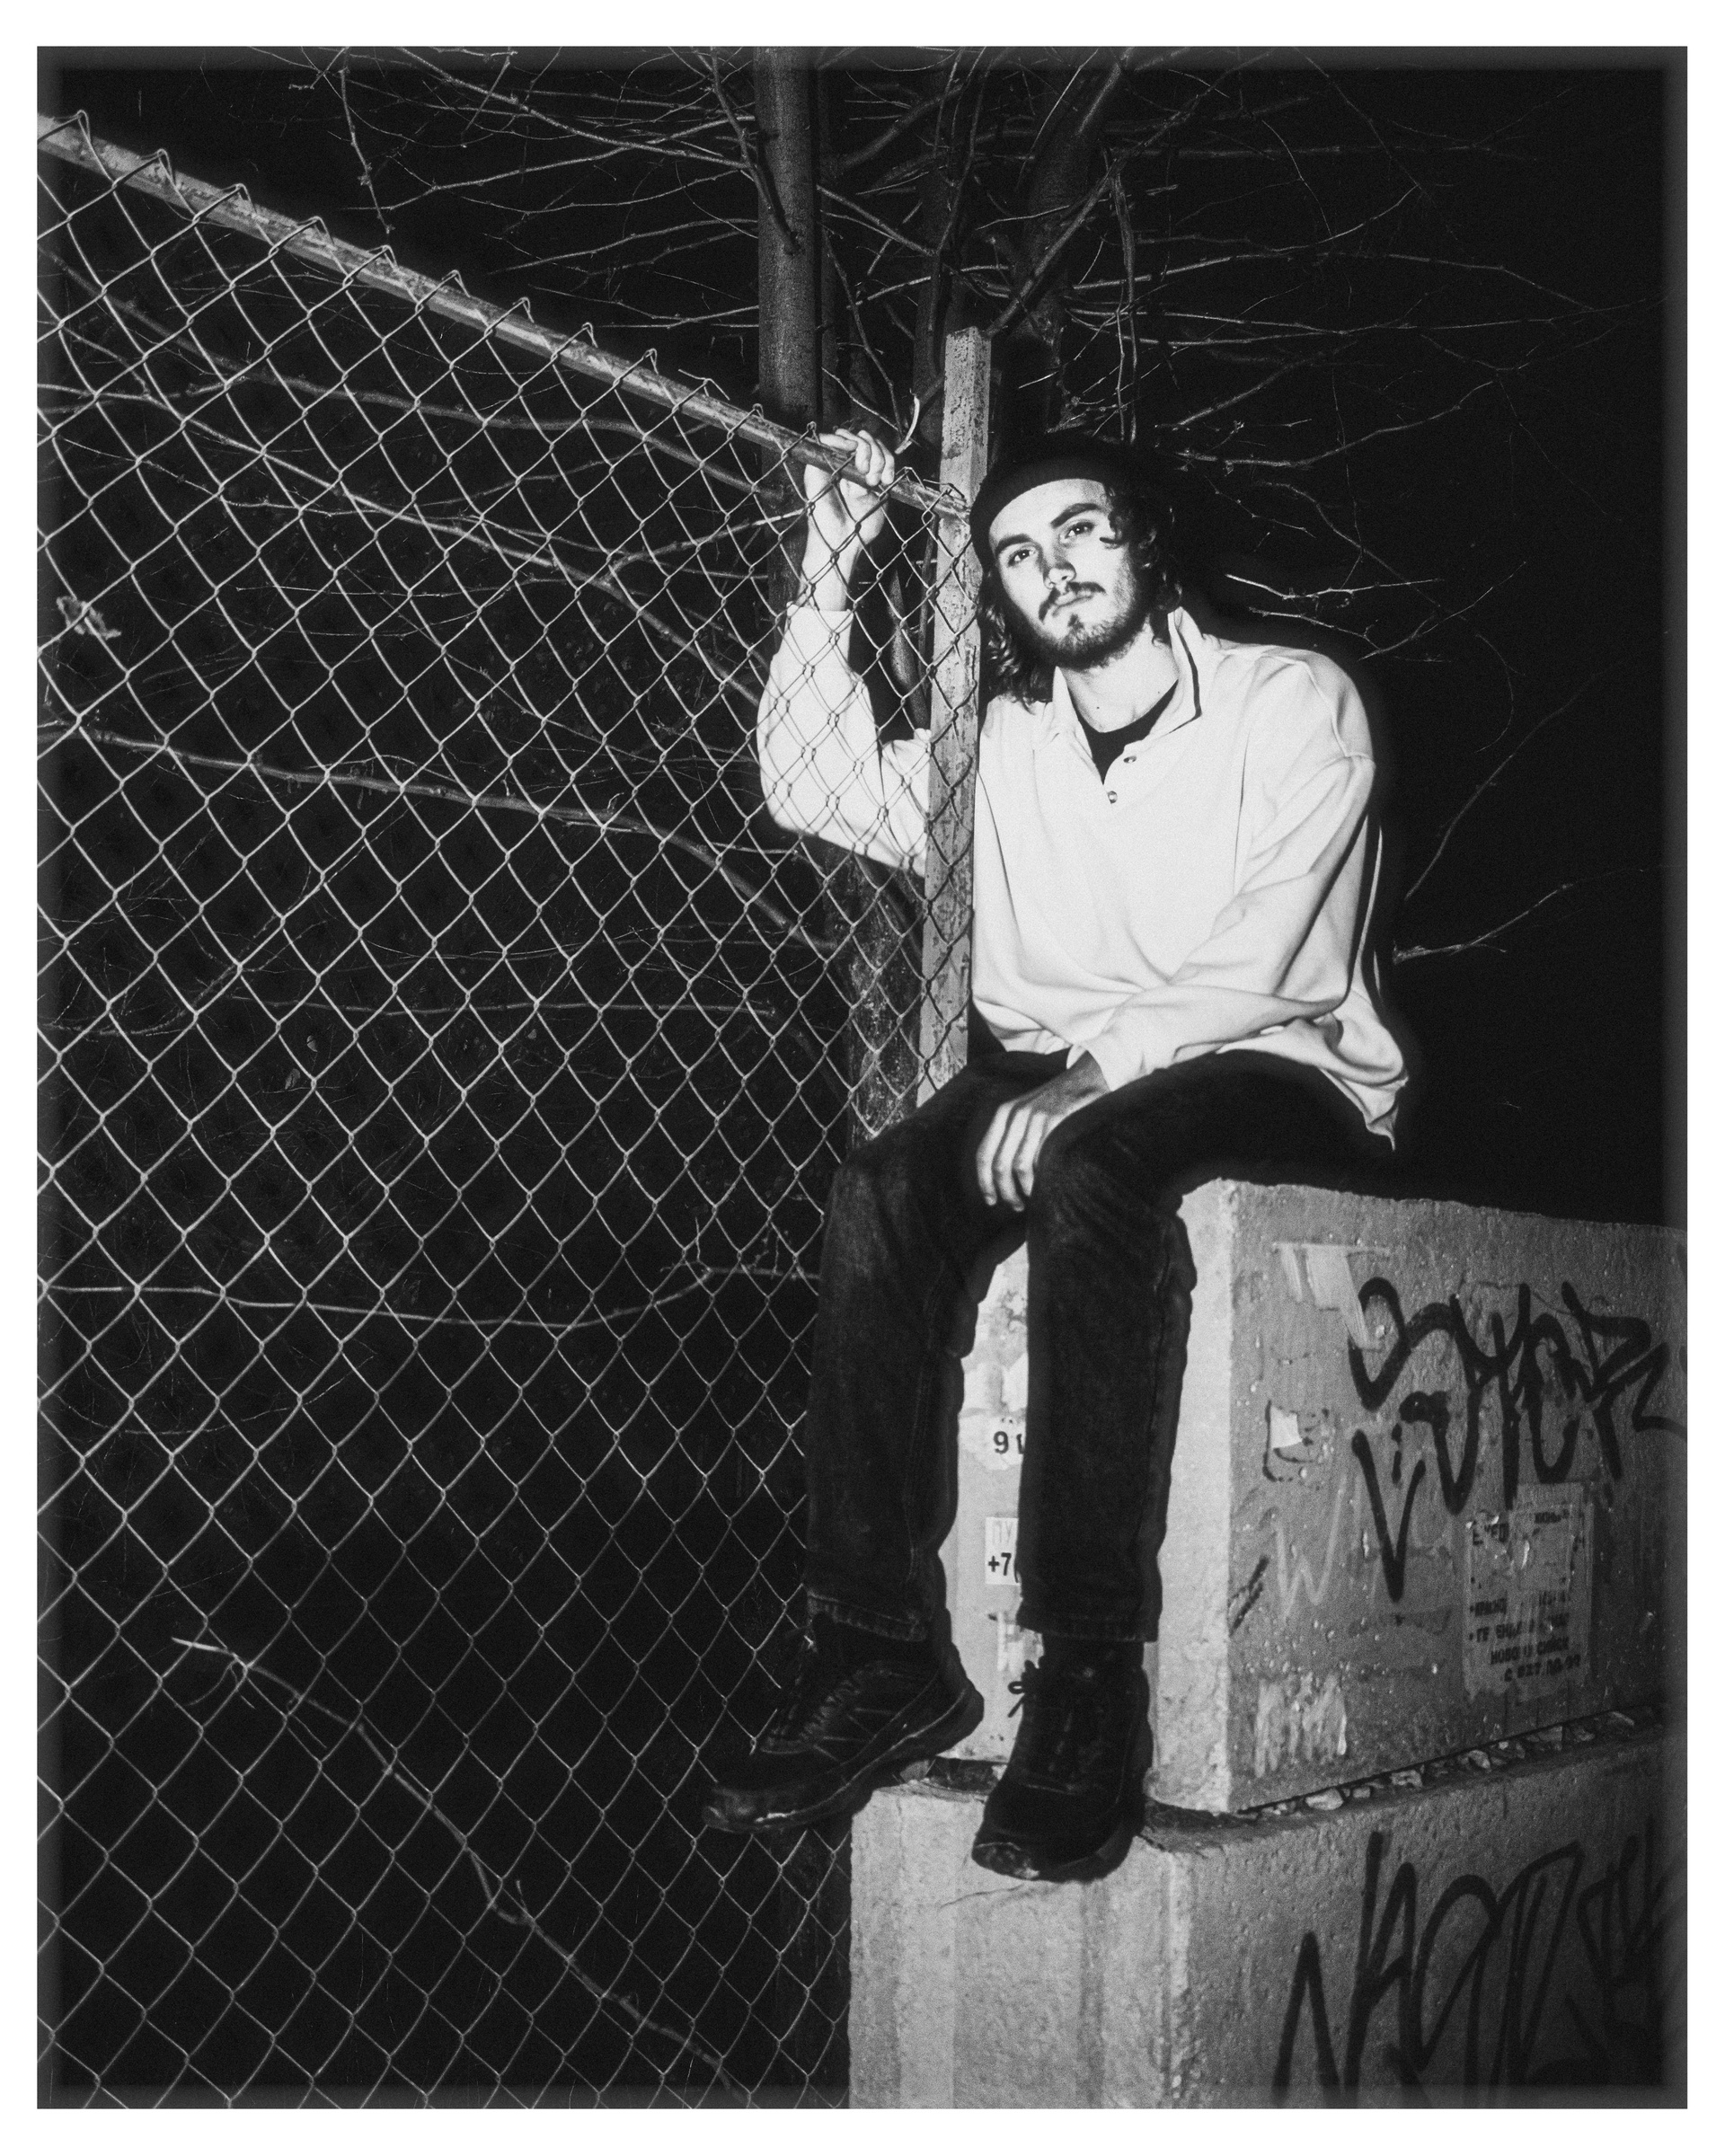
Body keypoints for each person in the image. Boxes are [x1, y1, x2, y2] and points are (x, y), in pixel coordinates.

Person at [703, 426, 1407, 1882]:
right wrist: (828, 568)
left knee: (1097, 1170)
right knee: (881, 1191)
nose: (1054, 568)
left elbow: (1280, 947)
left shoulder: (1289, 699)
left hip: (1275, 1055)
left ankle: (1085, 1678)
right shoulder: (1002, 746)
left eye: (1081, 530)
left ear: (1145, 538)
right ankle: (876, 1650)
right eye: (1018, 554)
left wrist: (1099, 1074)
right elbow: (809, 785)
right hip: (1056, 1065)